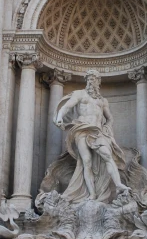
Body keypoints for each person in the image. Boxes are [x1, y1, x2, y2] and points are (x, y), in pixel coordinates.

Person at [54, 69, 128, 203]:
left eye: (93, 79)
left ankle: (118, 185)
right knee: (86, 161)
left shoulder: (102, 101)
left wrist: (107, 128)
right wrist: (60, 116)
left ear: (98, 82)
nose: (91, 81)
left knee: (107, 155)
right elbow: (67, 106)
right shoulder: (79, 94)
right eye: (89, 79)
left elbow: (110, 118)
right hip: (81, 129)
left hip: (98, 131)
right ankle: (92, 194)